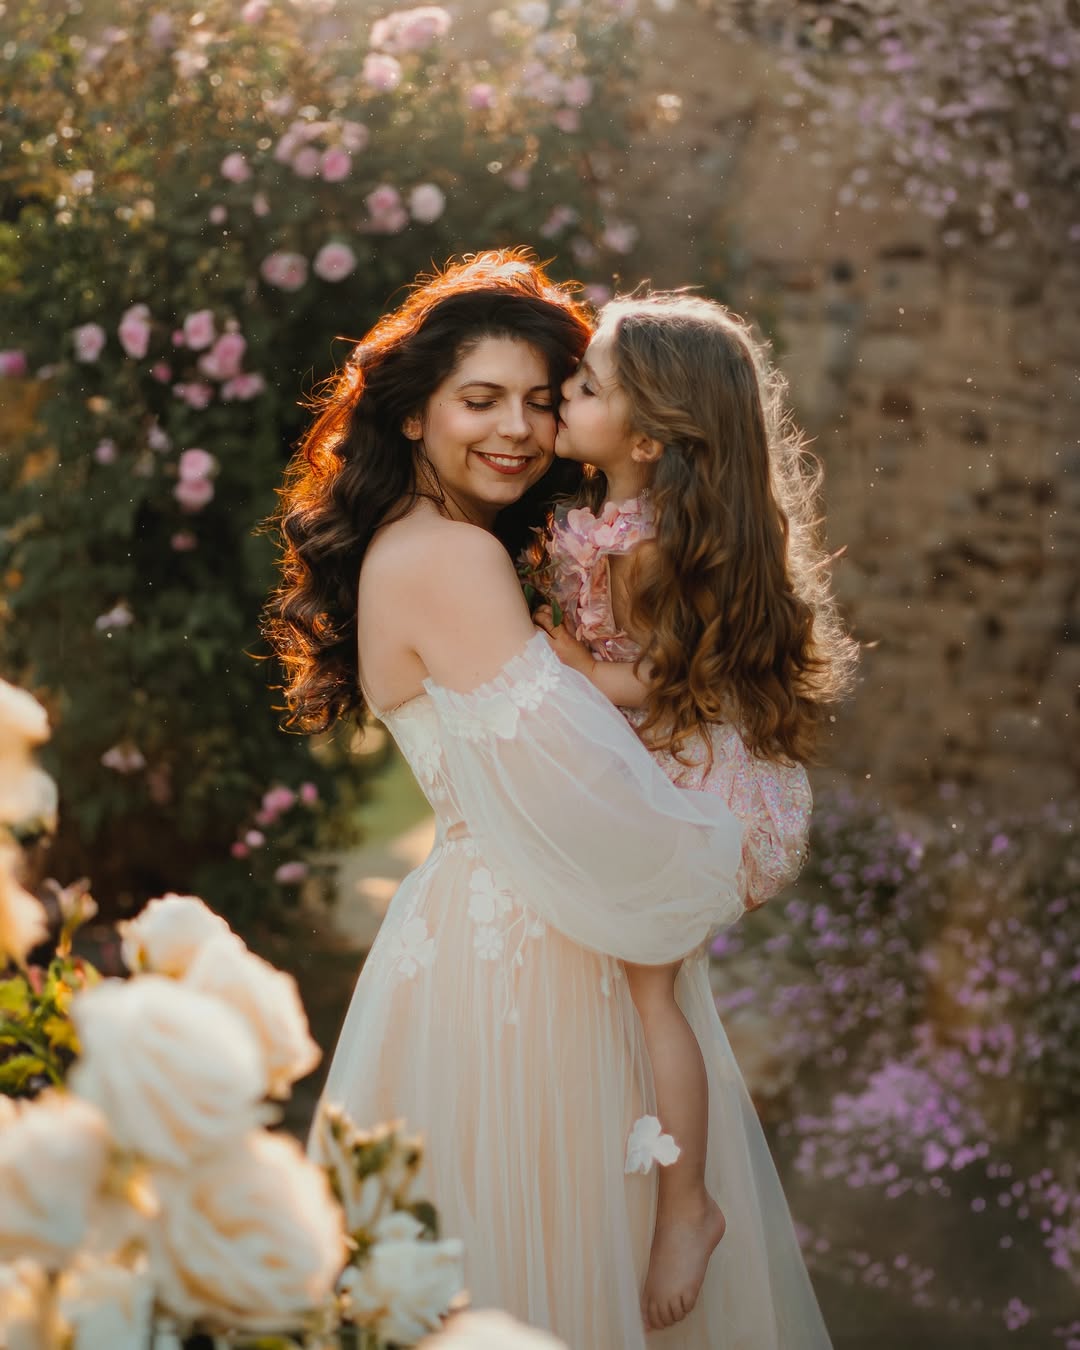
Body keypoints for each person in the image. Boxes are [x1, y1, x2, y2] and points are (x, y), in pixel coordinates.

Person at [265, 250, 834, 1349]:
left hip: (517, 933)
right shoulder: (450, 560)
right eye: (479, 400)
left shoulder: (451, 547)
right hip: (528, 957)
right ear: (413, 414)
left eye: (541, 399)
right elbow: (587, 791)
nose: (518, 429)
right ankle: (683, 1213)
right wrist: (716, 852)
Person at [528, 292, 857, 1333]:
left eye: (585, 388)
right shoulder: (628, 520)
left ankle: (686, 1207)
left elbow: (664, 687)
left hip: (699, 786)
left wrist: (571, 668)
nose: (561, 402)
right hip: (685, 774)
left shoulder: (647, 542)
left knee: (652, 993)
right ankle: (641, 1173)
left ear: (649, 428)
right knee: (637, 990)